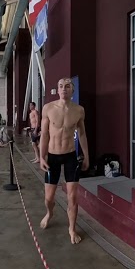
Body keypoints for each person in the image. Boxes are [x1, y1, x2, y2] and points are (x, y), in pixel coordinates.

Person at [39, 77, 89, 245]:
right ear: (57, 89)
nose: (63, 89)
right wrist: (41, 156)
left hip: (70, 156)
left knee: (73, 197)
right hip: (52, 156)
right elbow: (44, 134)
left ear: (72, 91)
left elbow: (82, 134)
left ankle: (72, 229)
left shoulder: (79, 110)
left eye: (67, 86)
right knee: (49, 198)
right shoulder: (48, 108)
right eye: (60, 86)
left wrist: (86, 156)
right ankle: (49, 213)